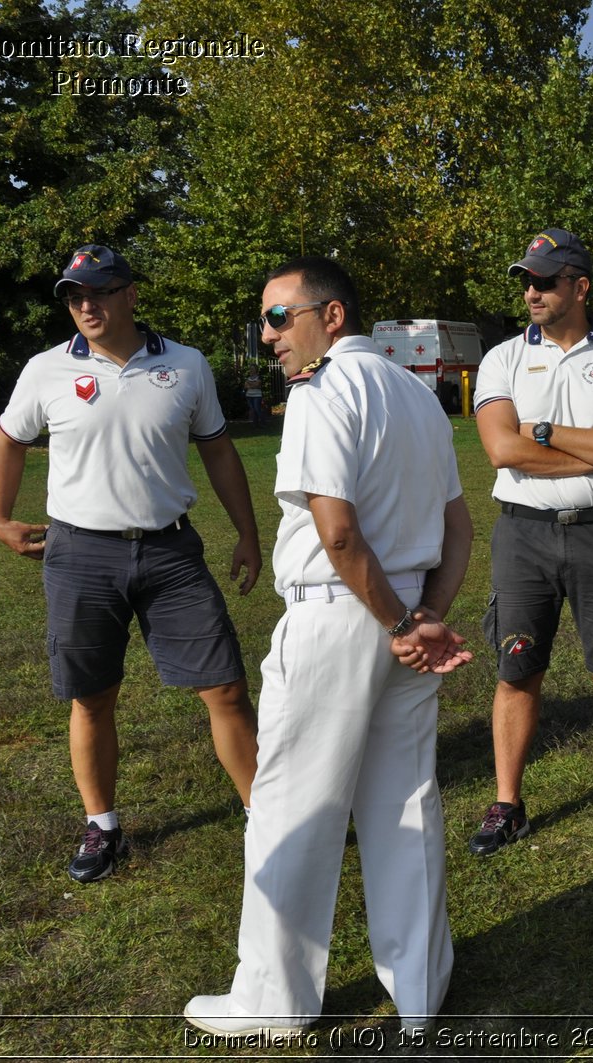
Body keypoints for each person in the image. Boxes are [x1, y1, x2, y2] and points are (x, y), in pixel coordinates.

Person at [186, 256, 473, 1036]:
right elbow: (458, 527)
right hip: (407, 607)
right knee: (404, 798)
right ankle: (421, 988)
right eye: (264, 321)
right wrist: (426, 614)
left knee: (292, 804)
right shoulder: (419, 395)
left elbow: (336, 530)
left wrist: (400, 623)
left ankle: (273, 998)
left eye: (280, 317)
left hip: (347, 611)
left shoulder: (321, 392)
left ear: (332, 316)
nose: (268, 336)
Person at [0, 244, 261, 884]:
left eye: (99, 292)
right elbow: (8, 441)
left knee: (223, 686)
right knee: (92, 696)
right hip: (79, 553)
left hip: (170, 550)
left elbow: (218, 451)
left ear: (130, 294)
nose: (86, 305)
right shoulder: (46, 370)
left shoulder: (186, 364)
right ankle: (103, 827)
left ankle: (262, 812)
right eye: (74, 296)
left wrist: (247, 533)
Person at [470, 227, 593, 856]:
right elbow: (502, 449)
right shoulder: (501, 358)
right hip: (522, 533)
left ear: (580, 286)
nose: (532, 290)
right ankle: (508, 805)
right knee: (517, 666)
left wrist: (544, 433)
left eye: (545, 280)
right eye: (526, 279)